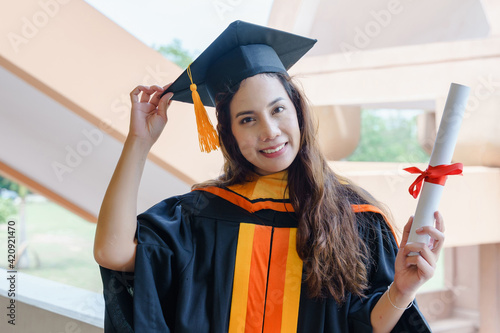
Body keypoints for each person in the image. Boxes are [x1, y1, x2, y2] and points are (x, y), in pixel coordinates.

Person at [94, 21, 444, 333]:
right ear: (229, 133)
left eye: (278, 109)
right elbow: (112, 252)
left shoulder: (356, 219)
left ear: (298, 111)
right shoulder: (201, 217)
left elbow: (368, 325)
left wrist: (402, 290)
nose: (270, 131)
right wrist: (139, 142)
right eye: (247, 119)